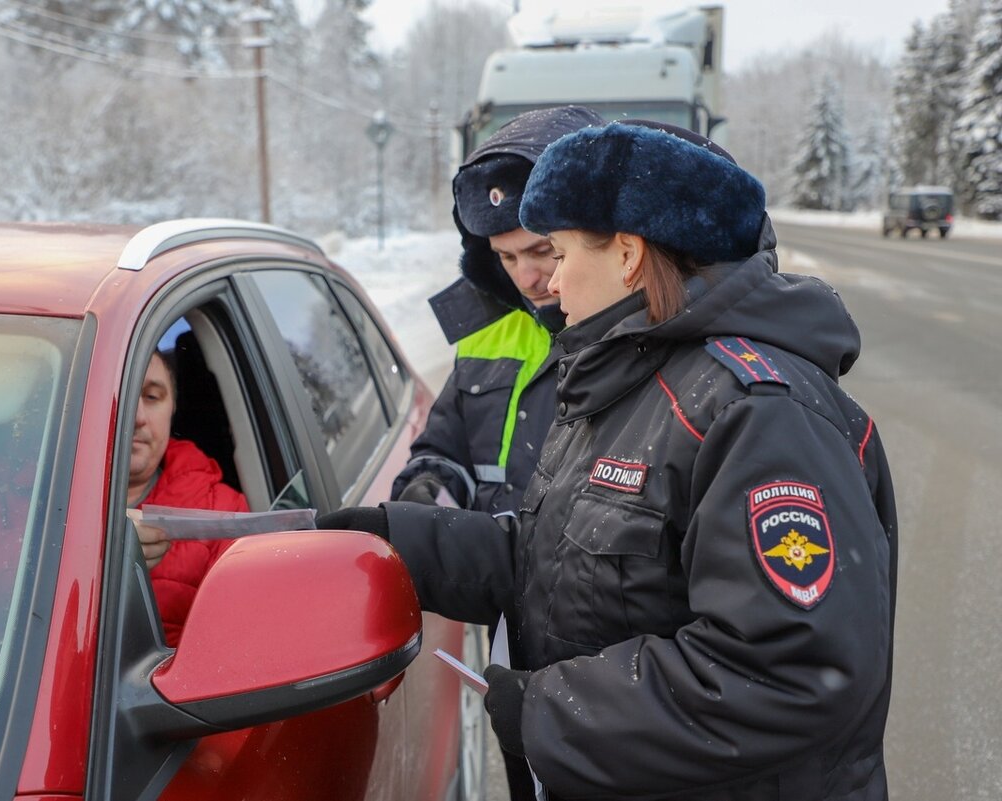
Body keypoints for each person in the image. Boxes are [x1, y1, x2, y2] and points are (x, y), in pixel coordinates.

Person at [321, 121, 898, 801]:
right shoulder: (631, 385)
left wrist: (548, 709)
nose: (548, 282)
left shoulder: (755, 412)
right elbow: (558, 555)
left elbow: (790, 670)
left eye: (558, 253)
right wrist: (401, 539)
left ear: (626, 255)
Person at [0, 350, 248, 656]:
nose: (137, 417)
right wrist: (79, 546)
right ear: (75, 403)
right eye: (116, 394)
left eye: (152, 397)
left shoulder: (222, 511)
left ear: (173, 411)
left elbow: (237, 660)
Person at [391, 105, 603, 516]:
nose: (525, 278)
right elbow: (446, 444)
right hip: (490, 572)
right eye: (505, 257)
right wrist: (429, 483)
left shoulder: (643, 333)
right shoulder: (487, 328)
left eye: (543, 251)